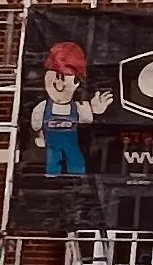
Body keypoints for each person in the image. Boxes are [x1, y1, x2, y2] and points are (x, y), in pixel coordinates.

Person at [31, 38, 116, 178]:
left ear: (76, 83)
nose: (59, 84)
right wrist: (40, 136)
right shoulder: (43, 108)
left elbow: (87, 118)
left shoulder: (76, 108)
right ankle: (53, 178)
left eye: (64, 78)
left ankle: (76, 178)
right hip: (52, 145)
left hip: (71, 144)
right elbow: (36, 125)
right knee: (53, 162)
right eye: (56, 76)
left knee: (76, 161)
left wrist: (94, 109)